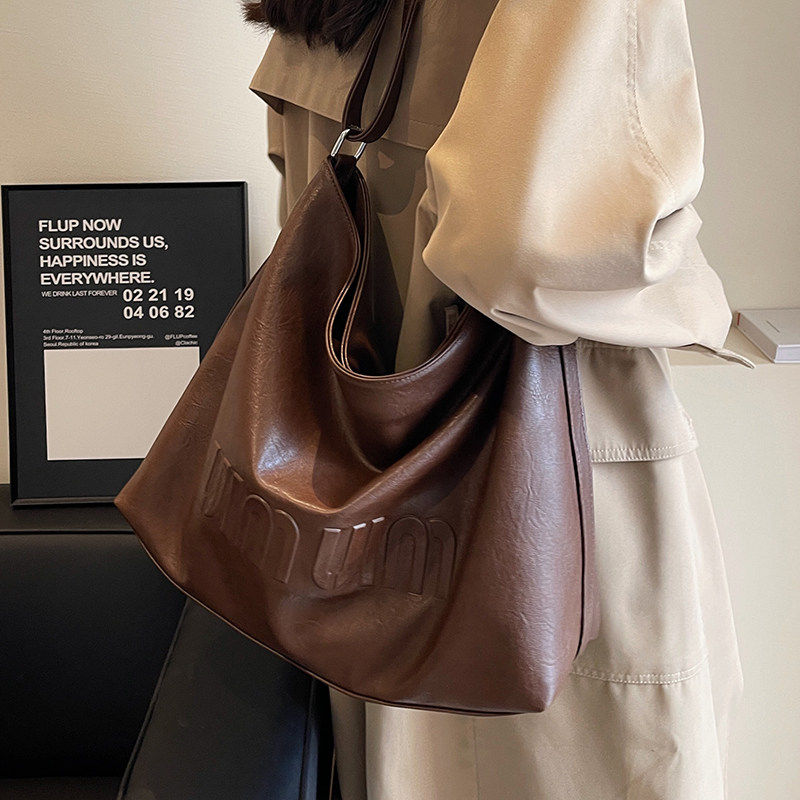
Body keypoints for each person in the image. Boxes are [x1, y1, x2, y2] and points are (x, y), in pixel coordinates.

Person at [245, 1, 748, 797]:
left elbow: (296, 158)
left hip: (357, 473)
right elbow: (532, 249)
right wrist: (703, 303)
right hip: (547, 483)